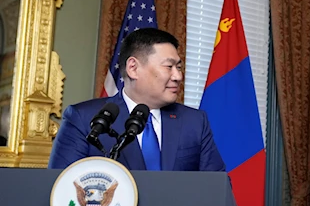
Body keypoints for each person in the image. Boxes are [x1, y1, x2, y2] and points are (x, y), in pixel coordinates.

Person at [48, 28, 225, 172]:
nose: (178, 76)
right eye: (169, 67)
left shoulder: (194, 122)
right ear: (133, 68)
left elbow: (217, 190)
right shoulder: (84, 119)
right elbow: (61, 189)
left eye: (179, 67)